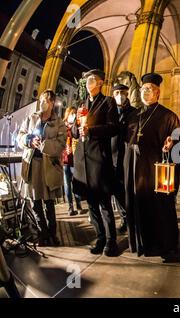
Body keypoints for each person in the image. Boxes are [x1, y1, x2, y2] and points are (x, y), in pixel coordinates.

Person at [124, 73, 180, 258]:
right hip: (135, 170)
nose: (145, 92)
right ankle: (143, 244)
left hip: (157, 171)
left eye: (149, 89)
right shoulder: (133, 115)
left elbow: (179, 147)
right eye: (143, 89)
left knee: (161, 208)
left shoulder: (169, 116)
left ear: (157, 92)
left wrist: (171, 146)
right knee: (140, 207)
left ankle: (167, 247)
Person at [72, 69, 120, 257]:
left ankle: (111, 240)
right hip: (82, 161)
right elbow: (76, 133)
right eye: (86, 80)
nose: (88, 82)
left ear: (100, 83)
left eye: (91, 79)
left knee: (104, 203)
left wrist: (91, 131)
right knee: (91, 204)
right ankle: (100, 237)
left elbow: (113, 128)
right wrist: (75, 126)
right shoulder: (82, 104)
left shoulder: (107, 102)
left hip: (98, 160)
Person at [18, 89, 66, 246]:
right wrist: (28, 140)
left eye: (46, 100)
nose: (42, 103)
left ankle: (53, 234)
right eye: (41, 99)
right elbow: (20, 136)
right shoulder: (31, 118)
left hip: (48, 167)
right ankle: (42, 234)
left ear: (52, 103)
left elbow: (61, 144)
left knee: (49, 204)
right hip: (32, 165)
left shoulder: (58, 122)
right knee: (35, 202)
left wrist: (44, 144)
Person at [110, 84, 133, 234]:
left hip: (127, 157)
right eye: (117, 93)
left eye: (123, 93)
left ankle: (131, 219)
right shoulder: (109, 112)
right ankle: (125, 218)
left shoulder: (133, 112)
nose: (120, 95)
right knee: (117, 191)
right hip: (112, 157)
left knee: (128, 190)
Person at [62, 106, 82, 216]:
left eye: (75, 113)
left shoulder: (76, 126)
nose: (73, 115)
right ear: (67, 114)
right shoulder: (62, 126)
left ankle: (79, 205)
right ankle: (70, 207)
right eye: (71, 113)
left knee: (76, 183)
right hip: (65, 159)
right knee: (67, 184)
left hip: (75, 159)